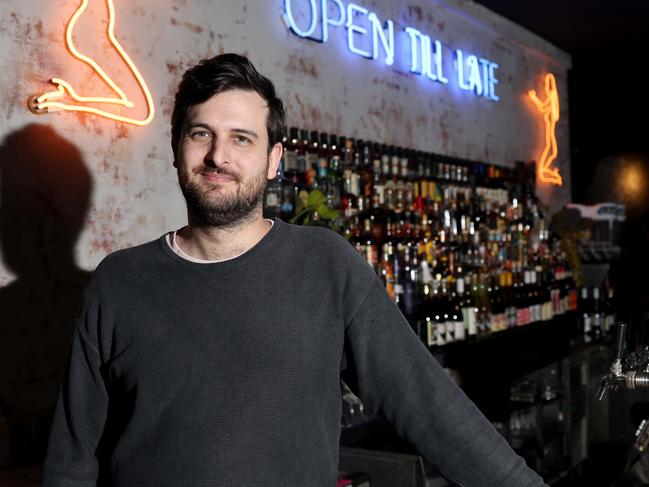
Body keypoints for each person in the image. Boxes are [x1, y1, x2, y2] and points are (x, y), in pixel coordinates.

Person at [41, 53, 548, 487]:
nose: (218, 155)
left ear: (273, 160)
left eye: (242, 138)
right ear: (176, 148)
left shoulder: (326, 266)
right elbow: (72, 459)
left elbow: (429, 403)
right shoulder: (119, 282)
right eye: (202, 134)